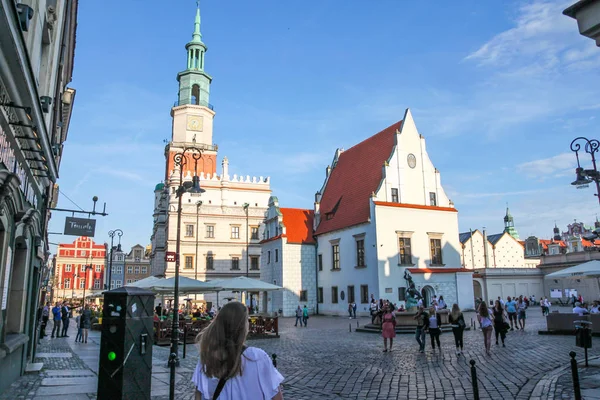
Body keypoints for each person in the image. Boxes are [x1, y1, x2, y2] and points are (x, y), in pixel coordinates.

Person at [192, 301, 284, 400]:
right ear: (243, 327)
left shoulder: (206, 360)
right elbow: (277, 397)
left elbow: (198, 396)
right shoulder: (256, 358)